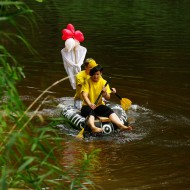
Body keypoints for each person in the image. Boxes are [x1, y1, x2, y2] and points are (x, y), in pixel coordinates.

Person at [81, 64, 132, 133]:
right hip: (87, 106)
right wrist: (90, 104)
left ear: (101, 74)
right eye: (93, 74)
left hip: (98, 105)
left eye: (97, 74)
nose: (95, 76)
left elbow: (108, 97)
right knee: (91, 112)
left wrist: (104, 93)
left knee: (109, 110)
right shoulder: (87, 81)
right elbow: (84, 95)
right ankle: (93, 127)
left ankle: (121, 126)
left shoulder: (104, 82)